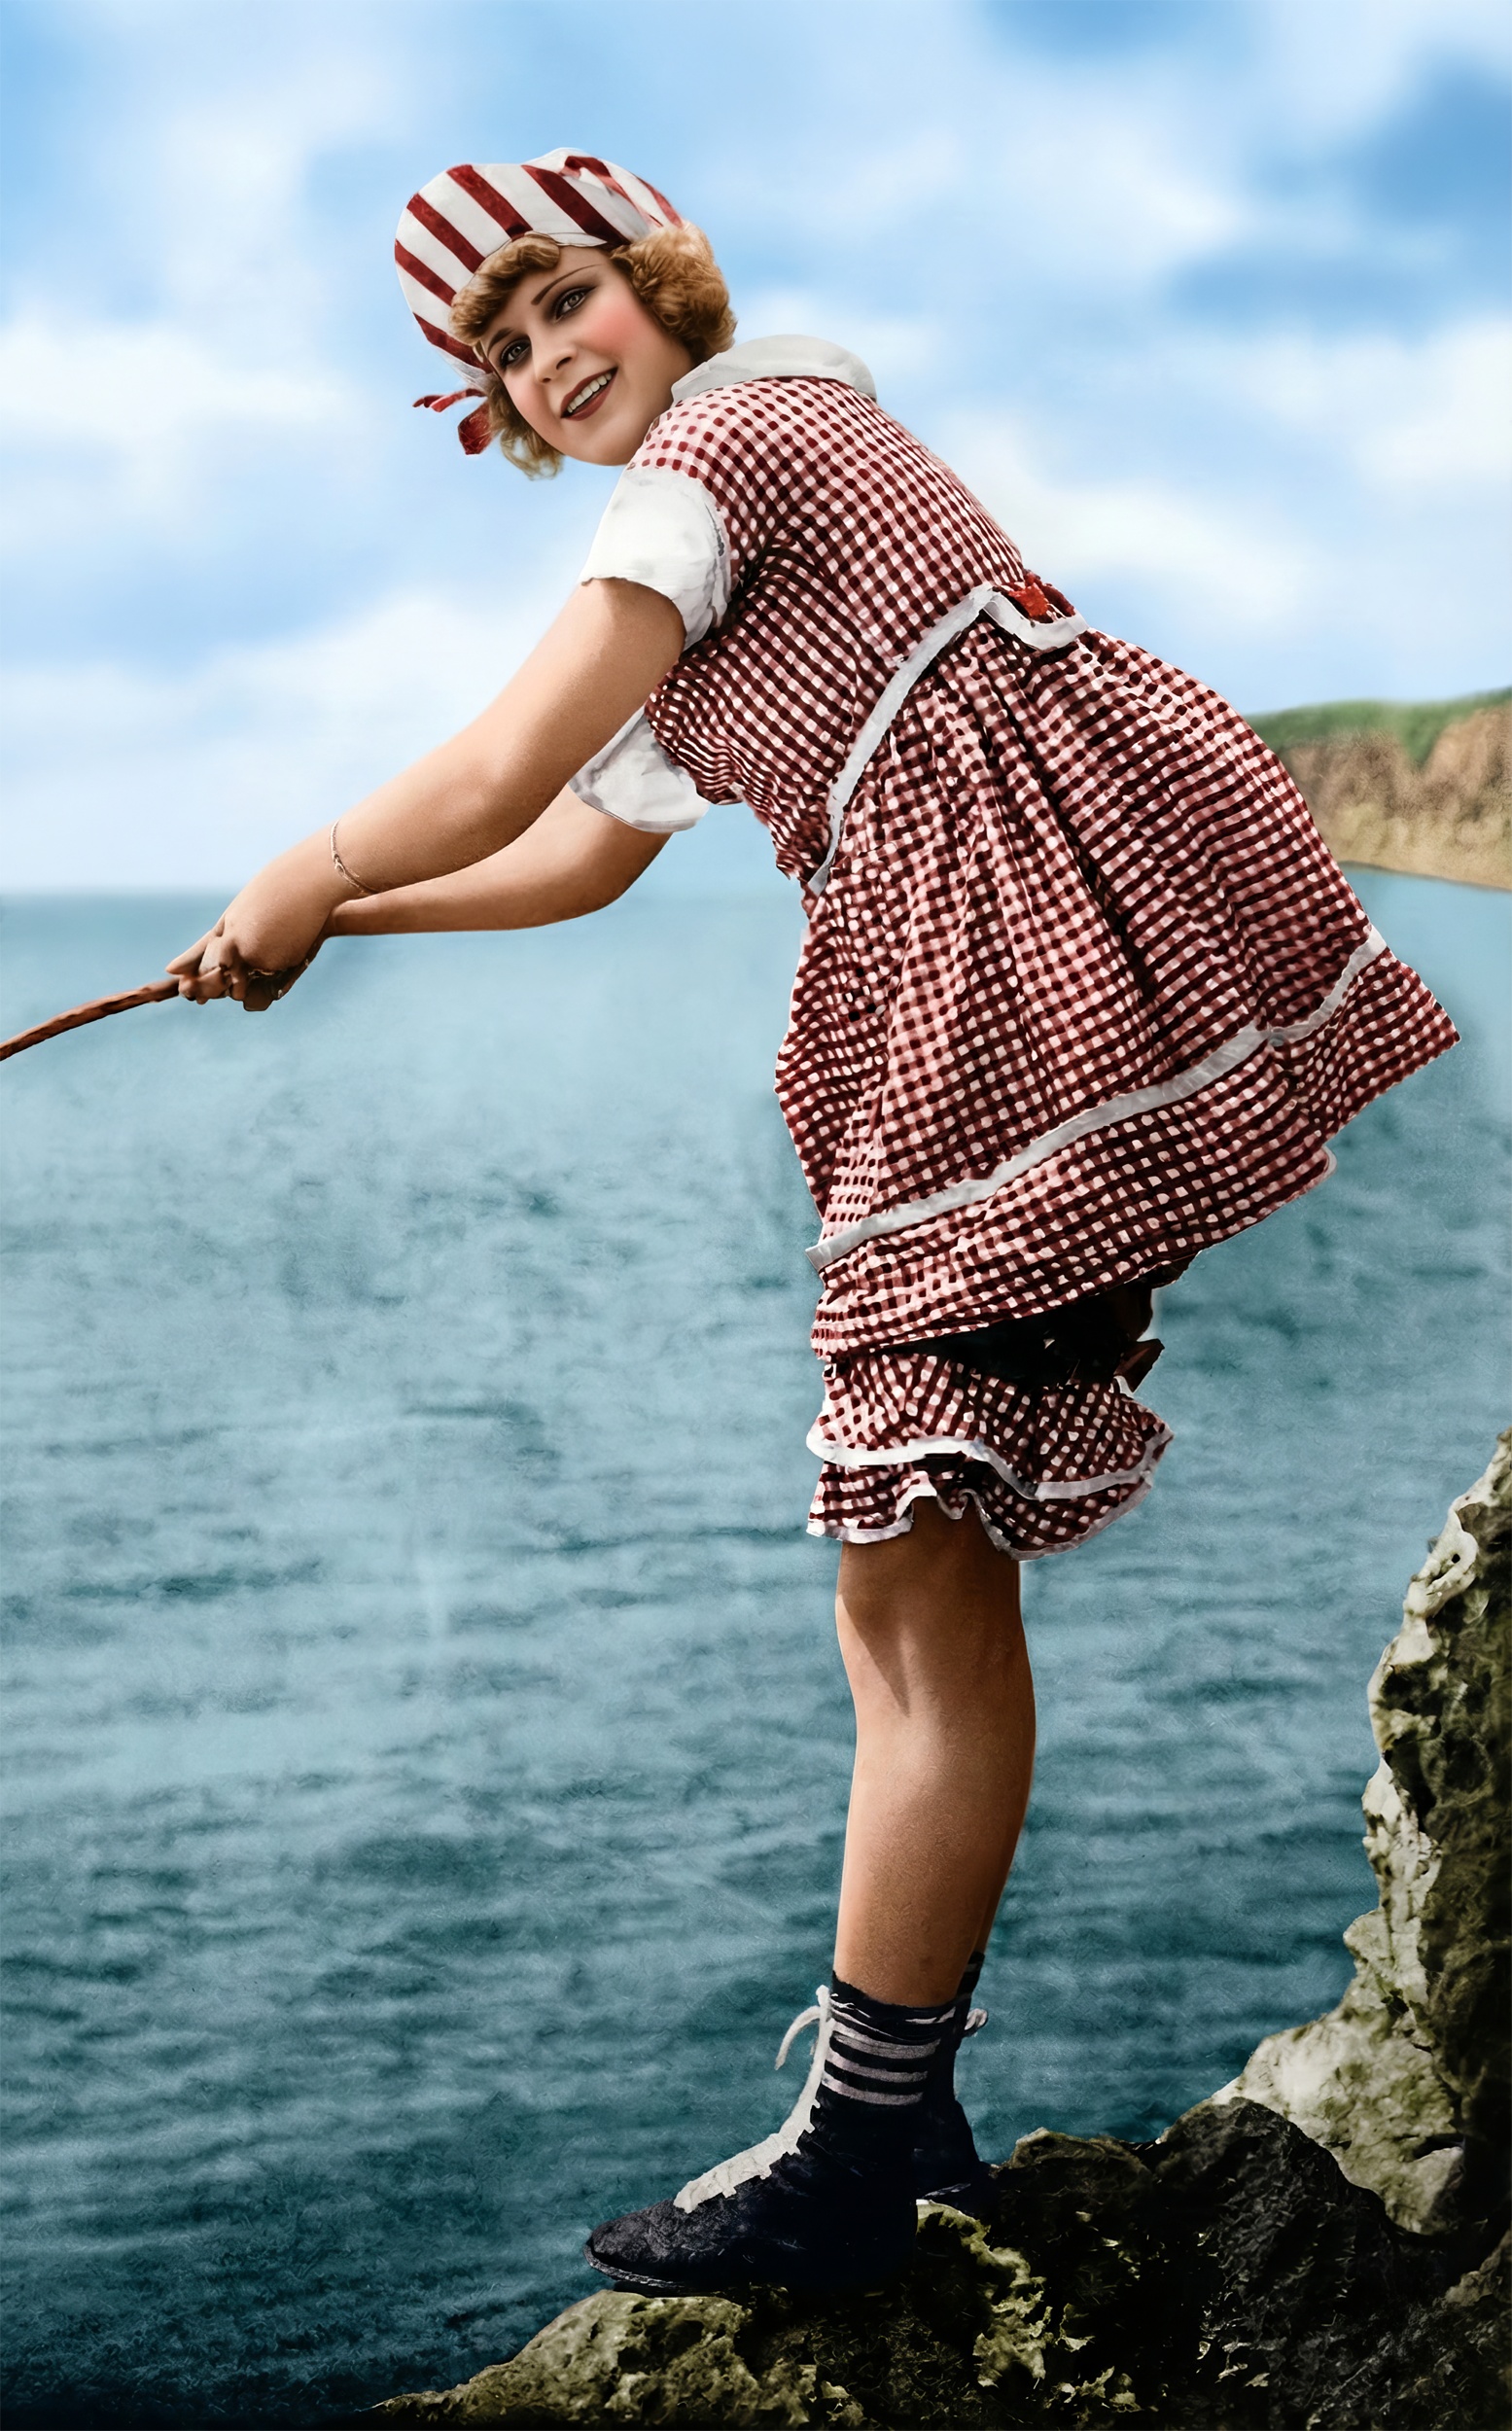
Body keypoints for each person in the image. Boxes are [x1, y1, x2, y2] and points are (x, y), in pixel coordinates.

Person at [168, 151, 1457, 2297]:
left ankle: (863, 2146)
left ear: (656, 283)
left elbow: (500, 765)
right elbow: (578, 853)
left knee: (910, 1573)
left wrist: (305, 863)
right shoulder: (732, 541)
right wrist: (329, 925)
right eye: (503, 349)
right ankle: (885, 2115)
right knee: (916, 1572)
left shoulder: (733, 439)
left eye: (563, 298)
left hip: (1011, 952)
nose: (546, 357)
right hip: (1004, 947)